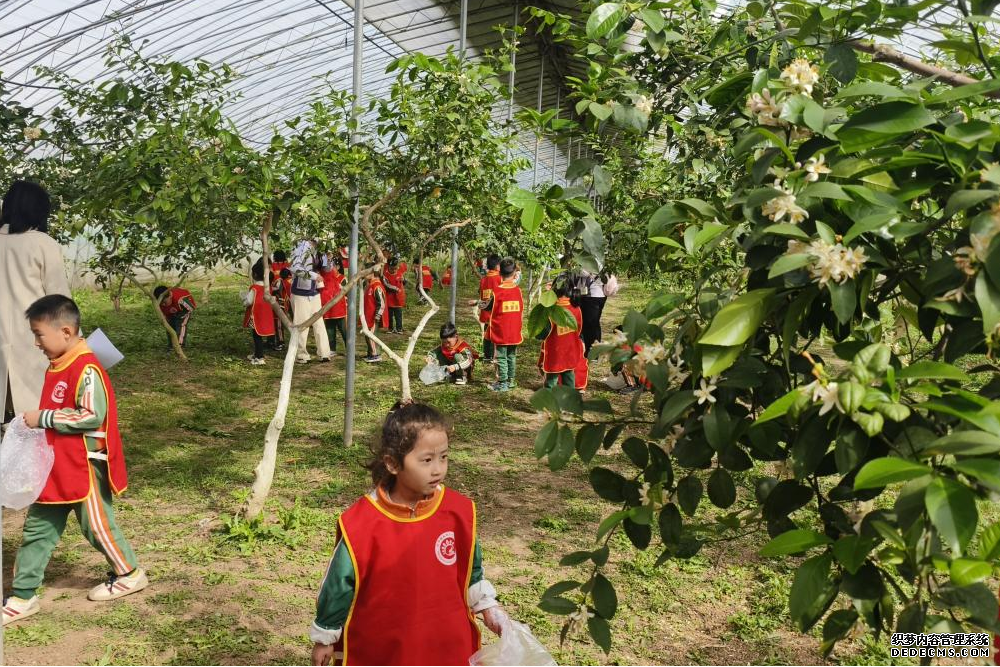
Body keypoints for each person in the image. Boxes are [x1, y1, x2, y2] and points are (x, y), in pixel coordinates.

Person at [309, 402, 507, 666]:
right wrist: (325, 637)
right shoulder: (361, 524)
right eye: (427, 460)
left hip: (445, 644)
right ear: (392, 464)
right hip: (383, 647)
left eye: (444, 457)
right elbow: (337, 586)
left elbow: (472, 571)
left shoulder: (458, 512)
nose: (438, 469)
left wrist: (489, 608)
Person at [4, 295, 146, 626]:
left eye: (39, 334)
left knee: (96, 525)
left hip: (84, 464)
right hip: (56, 464)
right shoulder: (62, 362)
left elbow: (92, 416)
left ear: (65, 331)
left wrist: (44, 418)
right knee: (37, 528)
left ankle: (130, 573)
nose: (36, 342)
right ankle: (23, 596)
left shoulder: (86, 367)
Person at [0, 181, 71, 425]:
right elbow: (60, 301)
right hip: (34, 342)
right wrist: (75, 342)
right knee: (36, 416)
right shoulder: (43, 244)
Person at [289, 239, 332, 364]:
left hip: (315, 292)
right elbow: (295, 268)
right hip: (301, 293)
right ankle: (301, 354)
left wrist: (329, 259)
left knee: (319, 322)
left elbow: (326, 269)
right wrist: (313, 276)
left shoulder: (319, 249)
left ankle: (324, 353)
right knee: (301, 324)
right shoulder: (302, 248)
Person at [536, 278, 583, 390]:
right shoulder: (576, 308)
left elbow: (541, 334)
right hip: (571, 350)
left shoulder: (551, 310)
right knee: (569, 377)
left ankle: (548, 404)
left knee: (551, 380)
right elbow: (579, 330)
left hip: (555, 353)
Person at [486, 258, 523, 393]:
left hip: (501, 331)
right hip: (514, 330)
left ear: (499, 272)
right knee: (511, 355)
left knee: (501, 356)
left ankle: (502, 383)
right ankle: (511, 380)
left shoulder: (496, 291)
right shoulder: (518, 290)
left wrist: (477, 303)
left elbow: (487, 307)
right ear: (514, 273)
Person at [469, 254, 501, 364]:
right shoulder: (499, 278)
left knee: (487, 333)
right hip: (496, 312)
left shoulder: (484, 279)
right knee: (496, 335)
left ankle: (488, 356)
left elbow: (481, 293)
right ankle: (495, 356)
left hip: (486, 311)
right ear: (498, 266)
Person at [243, 262, 276, 366]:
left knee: (257, 336)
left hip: (256, 316)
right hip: (266, 316)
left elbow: (248, 301)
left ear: (255, 275)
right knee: (260, 335)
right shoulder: (268, 288)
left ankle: (259, 357)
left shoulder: (254, 288)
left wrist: (243, 300)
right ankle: (257, 354)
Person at [319, 255, 348, 354]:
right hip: (328, 307)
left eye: (333, 266)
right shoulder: (325, 277)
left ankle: (349, 348)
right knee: (330, 329)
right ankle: (332, 348)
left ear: (338, 267)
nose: (331, 268)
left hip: (339, 308)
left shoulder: (342, 278)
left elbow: (346, 291)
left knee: (344, 330)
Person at [153, 284, 196, 349]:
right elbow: (161, 310)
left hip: (184, 310)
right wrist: (165, 317)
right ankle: (171, 345)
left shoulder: (181, 299)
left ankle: (180, 345)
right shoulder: (159, 301)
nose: (163, 304)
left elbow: (191, 308)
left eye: (164, 302)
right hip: (170, 312)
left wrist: (181, 316)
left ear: (170, 295)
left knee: (180, 324)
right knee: (169, 326)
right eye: (161, 303)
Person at [362, 273, 388, 363]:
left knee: (370, 335)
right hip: (367, 316)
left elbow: (381, 303)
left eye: (366, 272)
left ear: (372, 273)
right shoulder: (370, 285)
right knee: (367, 335)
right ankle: (370, 353)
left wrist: (377, 315)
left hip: (373, 316)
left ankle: (375, 354)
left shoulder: (377, 286)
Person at [382, 257, 407, 334]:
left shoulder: (400, 273)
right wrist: (396, 289)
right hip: (389, 298)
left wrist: (404, 281)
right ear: (389, 266)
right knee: (390, 314)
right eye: (392, 268)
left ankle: (399, 328)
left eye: (396, 268)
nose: (394, 270)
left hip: (398, 298)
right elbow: (386, 285)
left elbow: (404, 282)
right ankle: (390, 328)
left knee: (398, 314)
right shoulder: (385, 275)